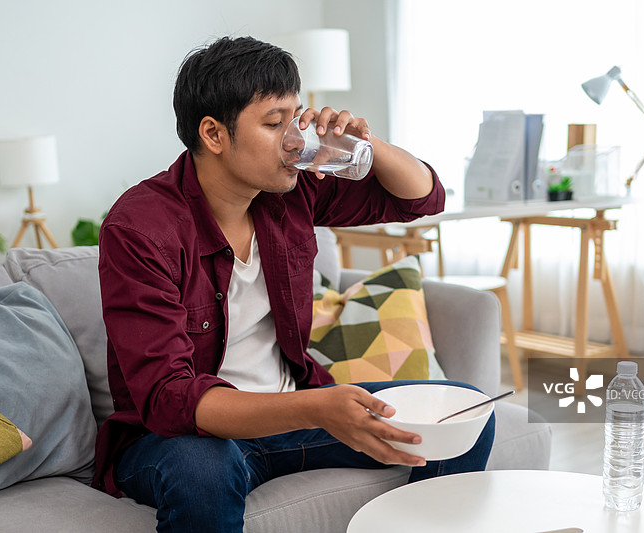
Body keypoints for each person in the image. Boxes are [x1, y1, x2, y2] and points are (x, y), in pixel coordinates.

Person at [92, 35, 495, 532]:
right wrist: (318, 409)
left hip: (293, 416)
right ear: (214, 134)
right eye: (273, 123)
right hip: (186, 438)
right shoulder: (141, 228)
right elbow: (169, 398)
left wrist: (367, 145)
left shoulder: (290, 191)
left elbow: (421, 199)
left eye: (296, 118)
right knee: (202, 469)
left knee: (468, 412)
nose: (295, 139)